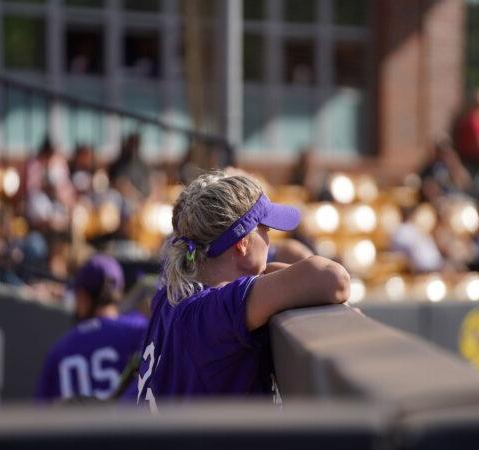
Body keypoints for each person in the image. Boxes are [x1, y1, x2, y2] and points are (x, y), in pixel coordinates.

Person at [121, 171, 350, 409]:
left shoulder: (169, 296)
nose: (270, 240)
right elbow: (334, 279)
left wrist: (264, 272)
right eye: (265, 230)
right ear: (242, 243)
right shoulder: (213, 314)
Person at [35, 254, 148, 402]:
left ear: (82, 296)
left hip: (72, 424)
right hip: (129, 424)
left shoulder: (61, 348)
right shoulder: (141, 331)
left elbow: (40, 413)